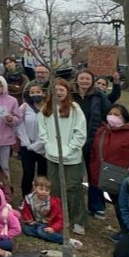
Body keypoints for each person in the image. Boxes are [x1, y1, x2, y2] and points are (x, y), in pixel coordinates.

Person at [38, 78, 88, 236]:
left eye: (61, 90)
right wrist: (49, 146)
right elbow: (42, 131)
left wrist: (69, 149)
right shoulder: (46, 109)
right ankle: (58, 217)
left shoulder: (75, 109)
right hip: (53, 156)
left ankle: (78, 220)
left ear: (67, 92)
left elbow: (80, 133)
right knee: (55, 188)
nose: (58, 93)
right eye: (55, 90)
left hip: (71, 158)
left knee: (73, 188)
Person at [90, 104, 129, 242]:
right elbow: (94, 151)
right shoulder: (102, 131)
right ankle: (124, 230)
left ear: (125, 118)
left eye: (117, 115)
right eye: (110, 113)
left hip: (125, 177)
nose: (113, 117)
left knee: (125, 205)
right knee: (117, 204)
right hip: (106, 175)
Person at [73, 69, 111, 219]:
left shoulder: (99, 96)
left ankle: (96, 206)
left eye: (87, 79)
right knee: (74, 175)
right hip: (73, 140)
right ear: (76, 80)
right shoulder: (70, 95)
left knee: (94, 174)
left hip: (93, 139)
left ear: (92, 81)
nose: (84, 81)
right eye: (81, 78)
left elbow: (108, 113)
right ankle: (74, 204)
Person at [20, 176, 82, 249]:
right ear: (35, 188)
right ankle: (45, 235)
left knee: (41, 231)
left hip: (47, 223)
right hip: (35, 223)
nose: (44, 192)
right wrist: (29, 220)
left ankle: (68, 241)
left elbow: (60, 218)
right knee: (26, 230)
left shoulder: (53, 202)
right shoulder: (29, 199)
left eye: (47, 190)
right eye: (41, 189)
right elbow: (25, 211)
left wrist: (53, 228)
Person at [16, 83, 47, 197]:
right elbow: (19, 125)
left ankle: (41, 197)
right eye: (32, 92)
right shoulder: (24, 107)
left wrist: (39, 143)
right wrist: (26, 142)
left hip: (43, 147)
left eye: (38, 92)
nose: (35, 94)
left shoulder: (48, 108)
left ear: (43, 93)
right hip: (27, 146)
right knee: (28, 173)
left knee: (42, 173)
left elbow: (49, 128)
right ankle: (26, 197)